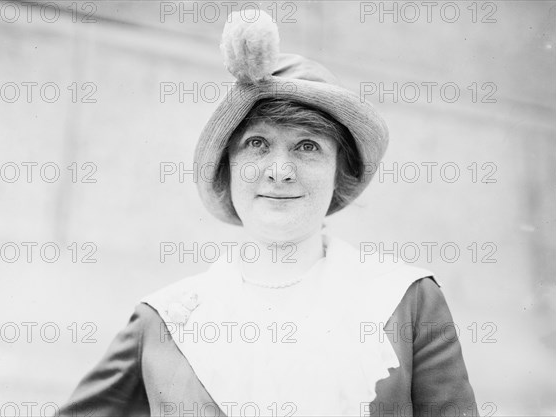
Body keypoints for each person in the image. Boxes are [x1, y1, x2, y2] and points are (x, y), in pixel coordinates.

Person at [57, 10, 479, 417]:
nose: (279, 172)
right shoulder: (166, 319)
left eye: (308, 146)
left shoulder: (406, 300)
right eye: (257, 143)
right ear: (228, 167)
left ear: (340, 171)